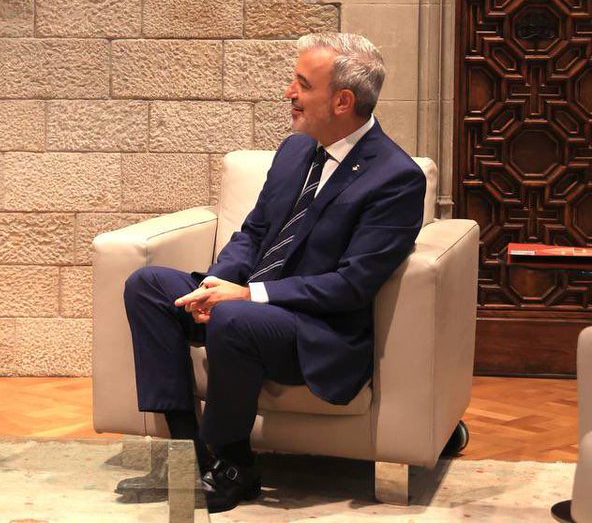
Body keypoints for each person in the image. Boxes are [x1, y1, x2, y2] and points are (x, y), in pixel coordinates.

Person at [117, 33, 426, 513]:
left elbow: (352, 285)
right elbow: (254, 233)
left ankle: (235, 465)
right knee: (148, 285)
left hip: (316, 330)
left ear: (342, 100)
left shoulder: (395, 177)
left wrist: (247, 297)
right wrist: (214, 285)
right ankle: (186, 456)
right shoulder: (294, 151)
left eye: (302, 84)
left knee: (235, 318)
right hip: (246, 304)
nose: (289, 92)